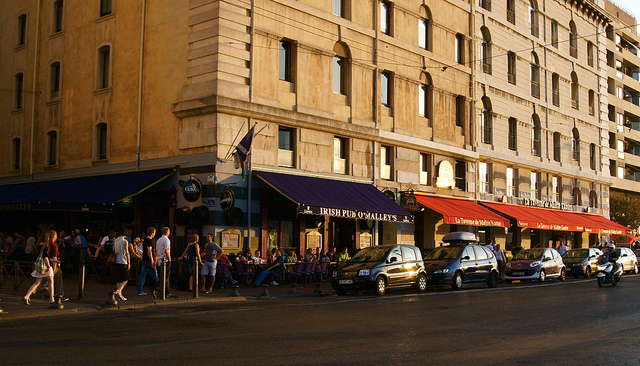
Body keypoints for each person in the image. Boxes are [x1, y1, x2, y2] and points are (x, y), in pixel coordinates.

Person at [22, 232, 54, 305]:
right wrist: (49, 266)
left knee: (37, 282)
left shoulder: (38, 245)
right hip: (45, 266)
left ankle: (27, 295)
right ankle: (51, 298)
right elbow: (45, 257)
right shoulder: (45, 245)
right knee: (51, 282)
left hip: (40, 266)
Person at [137, 227, 160, 297]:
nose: (154, 235)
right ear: (152, 233)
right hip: (149, 260)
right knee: (155, 275)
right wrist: (152, 260)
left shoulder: (145, 241)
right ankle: (160, 288)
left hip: (144, 259)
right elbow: (149, 251)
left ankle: (140, 290)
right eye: (154, 233)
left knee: (142, 275)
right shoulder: (149, 241)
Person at [48, 230, 68, 302]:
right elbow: (54, 258)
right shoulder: (54, 246)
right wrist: (54, 268)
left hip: (47, 265)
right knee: (58, 279)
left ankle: (30, 293)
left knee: (40, 281)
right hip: (53, 266)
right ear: (54, 236)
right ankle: (59, 295)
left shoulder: (47, 244)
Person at [111, 230, 131, 301]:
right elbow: (127, 252)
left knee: (118, 279)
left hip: (116, 260)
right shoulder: (125, 241)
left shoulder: (115, 240)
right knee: (126, 278)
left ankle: (120, 294)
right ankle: (119, 290)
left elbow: (113, 249)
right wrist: (129, 263)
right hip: (123, 260)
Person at [156, 227, 172, 297]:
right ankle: (155, 288)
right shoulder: (167, 240)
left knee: (163, 276)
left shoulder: (158, 240)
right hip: (165, 260)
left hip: (159, 260)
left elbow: (156, 251)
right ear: (167, 232)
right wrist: (169, 258)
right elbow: (166, 250)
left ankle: (166, 292)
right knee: (165, 277)